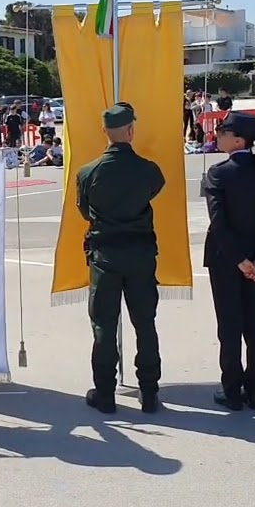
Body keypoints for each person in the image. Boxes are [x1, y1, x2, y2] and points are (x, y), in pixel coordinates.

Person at [77, 103, 167, 414]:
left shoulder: (88, 173)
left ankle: (105, 394)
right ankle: (150, 391)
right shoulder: (149, 170)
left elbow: (84, 210)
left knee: (104, 324)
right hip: (141, 255)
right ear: (131, 131)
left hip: (105, 256)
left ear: (105, 132)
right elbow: (154, 189)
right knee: (145, 323)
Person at [203, 112, 255, 411]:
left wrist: (239, 260)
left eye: (223, 131)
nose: (218, 135)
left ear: (238, 139)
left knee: (230, 325)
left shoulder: (219, 173)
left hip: (227, 258)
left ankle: (231, 389)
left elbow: (218, 223)